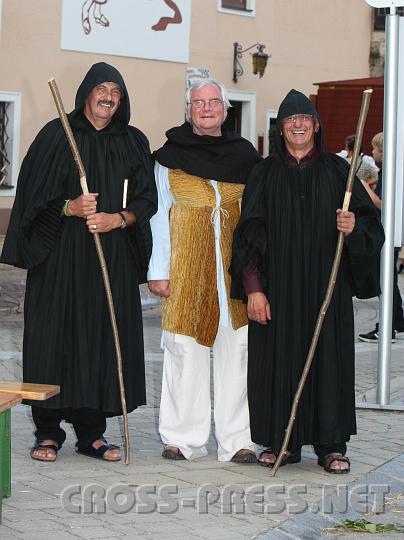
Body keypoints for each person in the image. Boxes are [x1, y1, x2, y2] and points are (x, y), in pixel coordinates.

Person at [0, 62, 157, 462]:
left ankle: (91, 434)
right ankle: (48, 432)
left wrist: (117, 219)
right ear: (87, 92)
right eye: (102, 88)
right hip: (60, 258)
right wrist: (67, 207)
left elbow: (146, 200)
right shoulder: (57, 135)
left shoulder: (133, 141)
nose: (108, 97)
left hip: (111, 257)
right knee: (53, 339)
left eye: (116, 91)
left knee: (102, 340)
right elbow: (31, 197)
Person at [230, 89, 384, 474]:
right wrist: (253, 290)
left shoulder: (339, 172)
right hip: (276, 290)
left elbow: (372, 228)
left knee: (328, 365)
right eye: (289, 119)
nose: (298, 124)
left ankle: (331, 445)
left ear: (316, 125)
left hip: (325, 290)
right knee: (276, 365)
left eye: (304, 118)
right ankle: (283, 443)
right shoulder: (264, 173)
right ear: (281, 128)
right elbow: (247, 235)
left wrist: (353, 229)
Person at [148, 79, 261, 463]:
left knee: (239, 351)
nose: (207, 108)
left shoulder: (245, 156)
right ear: (188, 109)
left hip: (235, 270)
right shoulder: (167, 157)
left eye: (214, 102)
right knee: (184, 350)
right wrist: (157, 269)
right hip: (184, 268)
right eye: (199, 102)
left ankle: (238, 440)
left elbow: (258, 218)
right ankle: (183, 438)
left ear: (226, 110)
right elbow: (157, 216)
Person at [358, 132, 404, 342]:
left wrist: (365, 187)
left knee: (384, 279)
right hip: (391, 231)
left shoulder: (388, 172)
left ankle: (388, 326)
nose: (372, 152)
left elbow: (383, 203)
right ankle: (397, 321)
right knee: (389, 279)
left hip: (386, 232)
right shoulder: (391, 171)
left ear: (384, 152)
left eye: (375, 149)